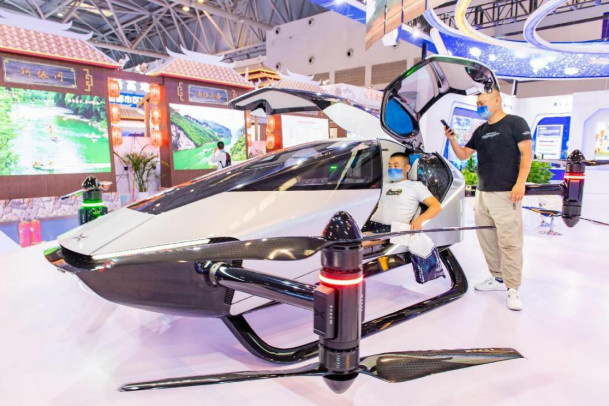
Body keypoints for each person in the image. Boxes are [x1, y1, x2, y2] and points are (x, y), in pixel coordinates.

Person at [444, 87, 532, 311]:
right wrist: (452, 140)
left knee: (509, 242)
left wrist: (520, 182)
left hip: (505, 193)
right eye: (478, 104)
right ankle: (497, 277)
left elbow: (527, 154)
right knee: (487, 239)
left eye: (483, 102)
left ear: (497, 100)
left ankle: (513, 288)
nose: (480, 106)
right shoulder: (481, 130)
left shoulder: (515, 123)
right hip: (482, 193)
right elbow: (464, 154)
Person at [363, 152, 442, 246]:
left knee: (357, 244)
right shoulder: (384, 186)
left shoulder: (415, 186)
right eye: (390, 166)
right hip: (370, 224)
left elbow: (436, 206)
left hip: (392, 230)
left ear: (407, 168)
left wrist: (419, 220)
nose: (392, 169)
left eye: (396, 166)